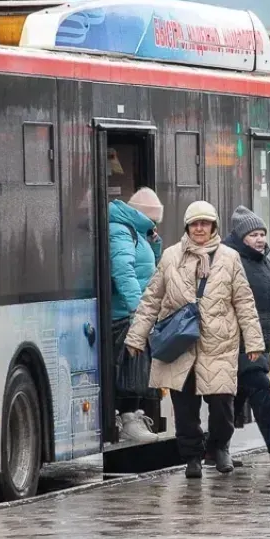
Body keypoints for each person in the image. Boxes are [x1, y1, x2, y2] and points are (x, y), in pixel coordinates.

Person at [125, 200, 264, 479]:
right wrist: (136, 336)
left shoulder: (229, 258)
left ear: (214, 226)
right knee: (185, 407)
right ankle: (192, 457)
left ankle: (220, 447)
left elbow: (244, 301)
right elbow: (152, 299)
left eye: (205, 223)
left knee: (222, 402)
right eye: (195, 223)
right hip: (180, 345)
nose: (200, 228)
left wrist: (254, 342)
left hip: (219, 343)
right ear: (187, 226)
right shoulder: (170, 257)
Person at [212, 205, 270, 467]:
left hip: (260, 341)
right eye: (254, 235)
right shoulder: (229, 259)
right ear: (241, 237)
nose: (260, 239)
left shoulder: (263, 260)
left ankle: (215, 449)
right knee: (261, 393)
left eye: (262, 234)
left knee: (233, 402)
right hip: (239, 342)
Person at [108, 188, 164, 443]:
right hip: (124, 315)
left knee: (139, 369)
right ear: (146, 216)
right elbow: (124, 272)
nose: (156, 225)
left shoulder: (136, 233)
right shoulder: (121, 231)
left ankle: (133, 417)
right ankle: (128, 419)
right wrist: (139, 310)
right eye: (155, 220)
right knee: (132, 372)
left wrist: (155, 243)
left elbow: (151, 270)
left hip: (135, 312)